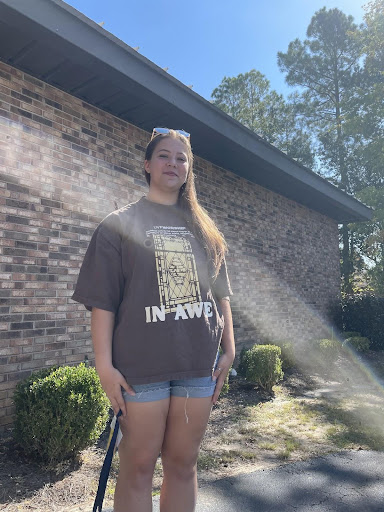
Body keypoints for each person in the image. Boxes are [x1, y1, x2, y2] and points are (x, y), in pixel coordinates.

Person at [72, 127, 235, 512]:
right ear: (147, 164)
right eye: (164, 155)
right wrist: (104, 366)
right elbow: (103, 303)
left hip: (197, 367)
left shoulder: (205, 230)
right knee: (139, 465)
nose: (173, 163)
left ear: (189, 170)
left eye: (182, 158)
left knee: (182, 464)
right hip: (140, 370)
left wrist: (229, 349)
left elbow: (221, 293)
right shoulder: (119, 225)